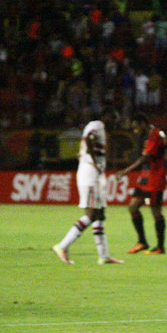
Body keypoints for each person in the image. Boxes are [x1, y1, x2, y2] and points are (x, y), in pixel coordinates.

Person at [52, 107, 123, 265]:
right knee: (91, 214)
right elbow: (89, 139)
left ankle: (103, 256)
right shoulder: (97, 125)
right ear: (107, 116)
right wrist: (94, 161)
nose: (115, 124)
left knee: (100, 213)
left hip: (95, 175)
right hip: (90, 175)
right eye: (114, 120)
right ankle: (62, 246)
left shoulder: (100, 129)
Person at [116, 112, 167, 254]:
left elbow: (146, 157)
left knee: (155, 211)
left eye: (136, 127)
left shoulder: (156, 135)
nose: (135, 130)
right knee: (133, 207)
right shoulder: (148, 136)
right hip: (145, 176)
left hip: (155, 177)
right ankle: (142, 242)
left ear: (143, 124)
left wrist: (125, 171)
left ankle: (160, 247)